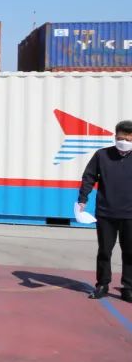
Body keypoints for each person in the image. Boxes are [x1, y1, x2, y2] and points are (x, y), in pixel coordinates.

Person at [77, 119, 132, 302]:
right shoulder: (102, 155)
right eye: (120, 138)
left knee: (130, 252)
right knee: (104, 251)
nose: (124, 141)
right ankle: (102, 285)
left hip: (130, 214)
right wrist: (82, 199)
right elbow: (89, 177)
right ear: (115, 137)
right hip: (105, 213)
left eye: (128, 139)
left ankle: (128, 287)